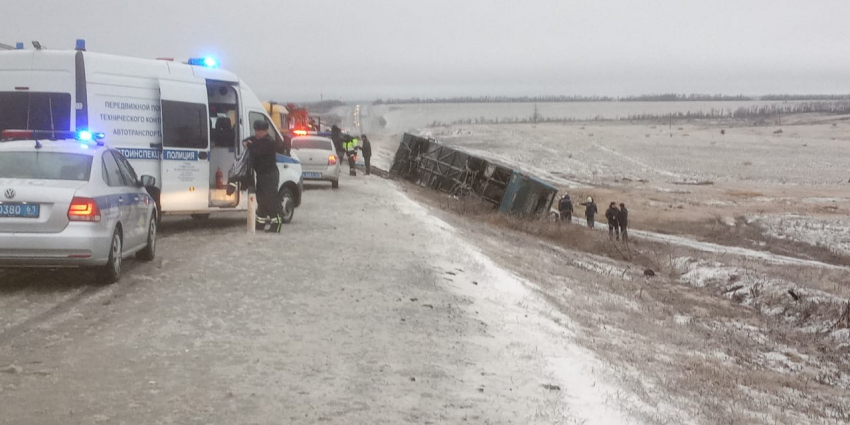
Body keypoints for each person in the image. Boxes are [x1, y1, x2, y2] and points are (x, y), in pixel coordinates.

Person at [243, 120, 283, 233]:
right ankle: (260, 223)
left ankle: (277, 223)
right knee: (261, 199)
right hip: (261, 175)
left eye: (259, 131)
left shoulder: (269, 142)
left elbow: (257, 151)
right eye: (255, 130)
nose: (256, 133)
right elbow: (246, 141)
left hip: (270, 175)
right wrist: (246, 142)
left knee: (270, 199)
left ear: (265, 131)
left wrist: (249, 145)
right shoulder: (257, 140)